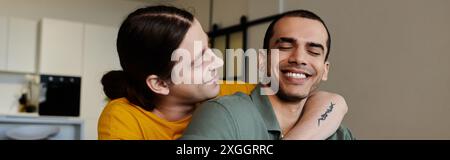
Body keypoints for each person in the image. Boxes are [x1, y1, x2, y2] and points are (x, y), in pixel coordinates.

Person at [98, 5, 349, 140]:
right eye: (197, 61)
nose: (217, 63)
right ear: (160, 83)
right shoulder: (120, 119)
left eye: (209, 48)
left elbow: (331, 102)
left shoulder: (228, 95)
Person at [181, 10, 355, 140]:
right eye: (285, 47)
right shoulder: (224, 115)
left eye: (314, 51)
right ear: (262, 60)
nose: (299, 58)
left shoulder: (338, 133)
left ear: (325, 70)